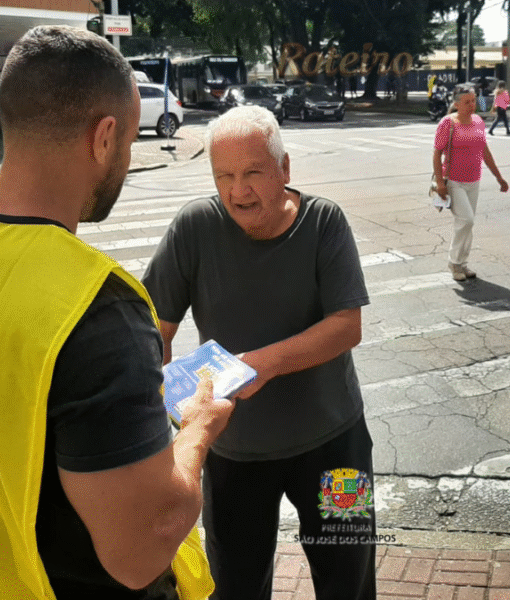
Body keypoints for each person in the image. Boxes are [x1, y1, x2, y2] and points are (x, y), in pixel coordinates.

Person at [0, 25, 233, 600]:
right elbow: (142, 548)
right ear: (104, 138)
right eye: (129, 143)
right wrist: (199, 427)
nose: (126, 162)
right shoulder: (96, 308)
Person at [142, 105, 376, 600]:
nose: (237, 192)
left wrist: (259, 364)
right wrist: (165, 412)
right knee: (236, 587)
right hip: (233, 455)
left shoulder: (323, 222)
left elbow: (346, 326)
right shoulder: (195, 227)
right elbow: (153, 330)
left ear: (284, 168)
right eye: (224, 175)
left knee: (349, 581)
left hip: (337, 446)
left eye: (253, 173)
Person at [434, 83, 509, 281]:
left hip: (474, 180)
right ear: (457, 104)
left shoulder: (477, 121)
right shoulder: (447, 123)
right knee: (466, 220)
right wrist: (440, 182)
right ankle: (454, 263)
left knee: (467, 224)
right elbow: (437, 153)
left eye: (474, 101)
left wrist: (499, 177)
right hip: (454, 181)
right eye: (467, 102)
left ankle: (462, 263)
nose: (472, 105)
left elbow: (485, 152)